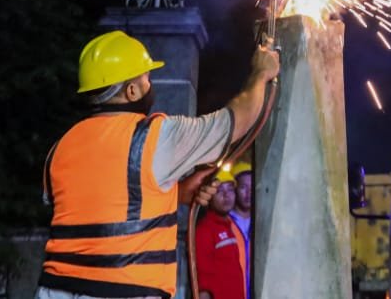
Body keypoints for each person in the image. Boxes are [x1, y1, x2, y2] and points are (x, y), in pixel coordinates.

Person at [38, 30, 279, 299]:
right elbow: (237, 120)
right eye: (146, 78)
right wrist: (260, 74)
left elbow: (100, 210)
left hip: (53, 291)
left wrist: (177, 193)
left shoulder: (60, 148)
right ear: (131, 91)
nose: (150, 84)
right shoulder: (154, 135)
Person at [192, 166, 248, 299]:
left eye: (230, 189)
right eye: (219, 191)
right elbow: (202, 278)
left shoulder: (231, 227)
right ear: (209, 197)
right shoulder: (205, 229)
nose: (226, 195)